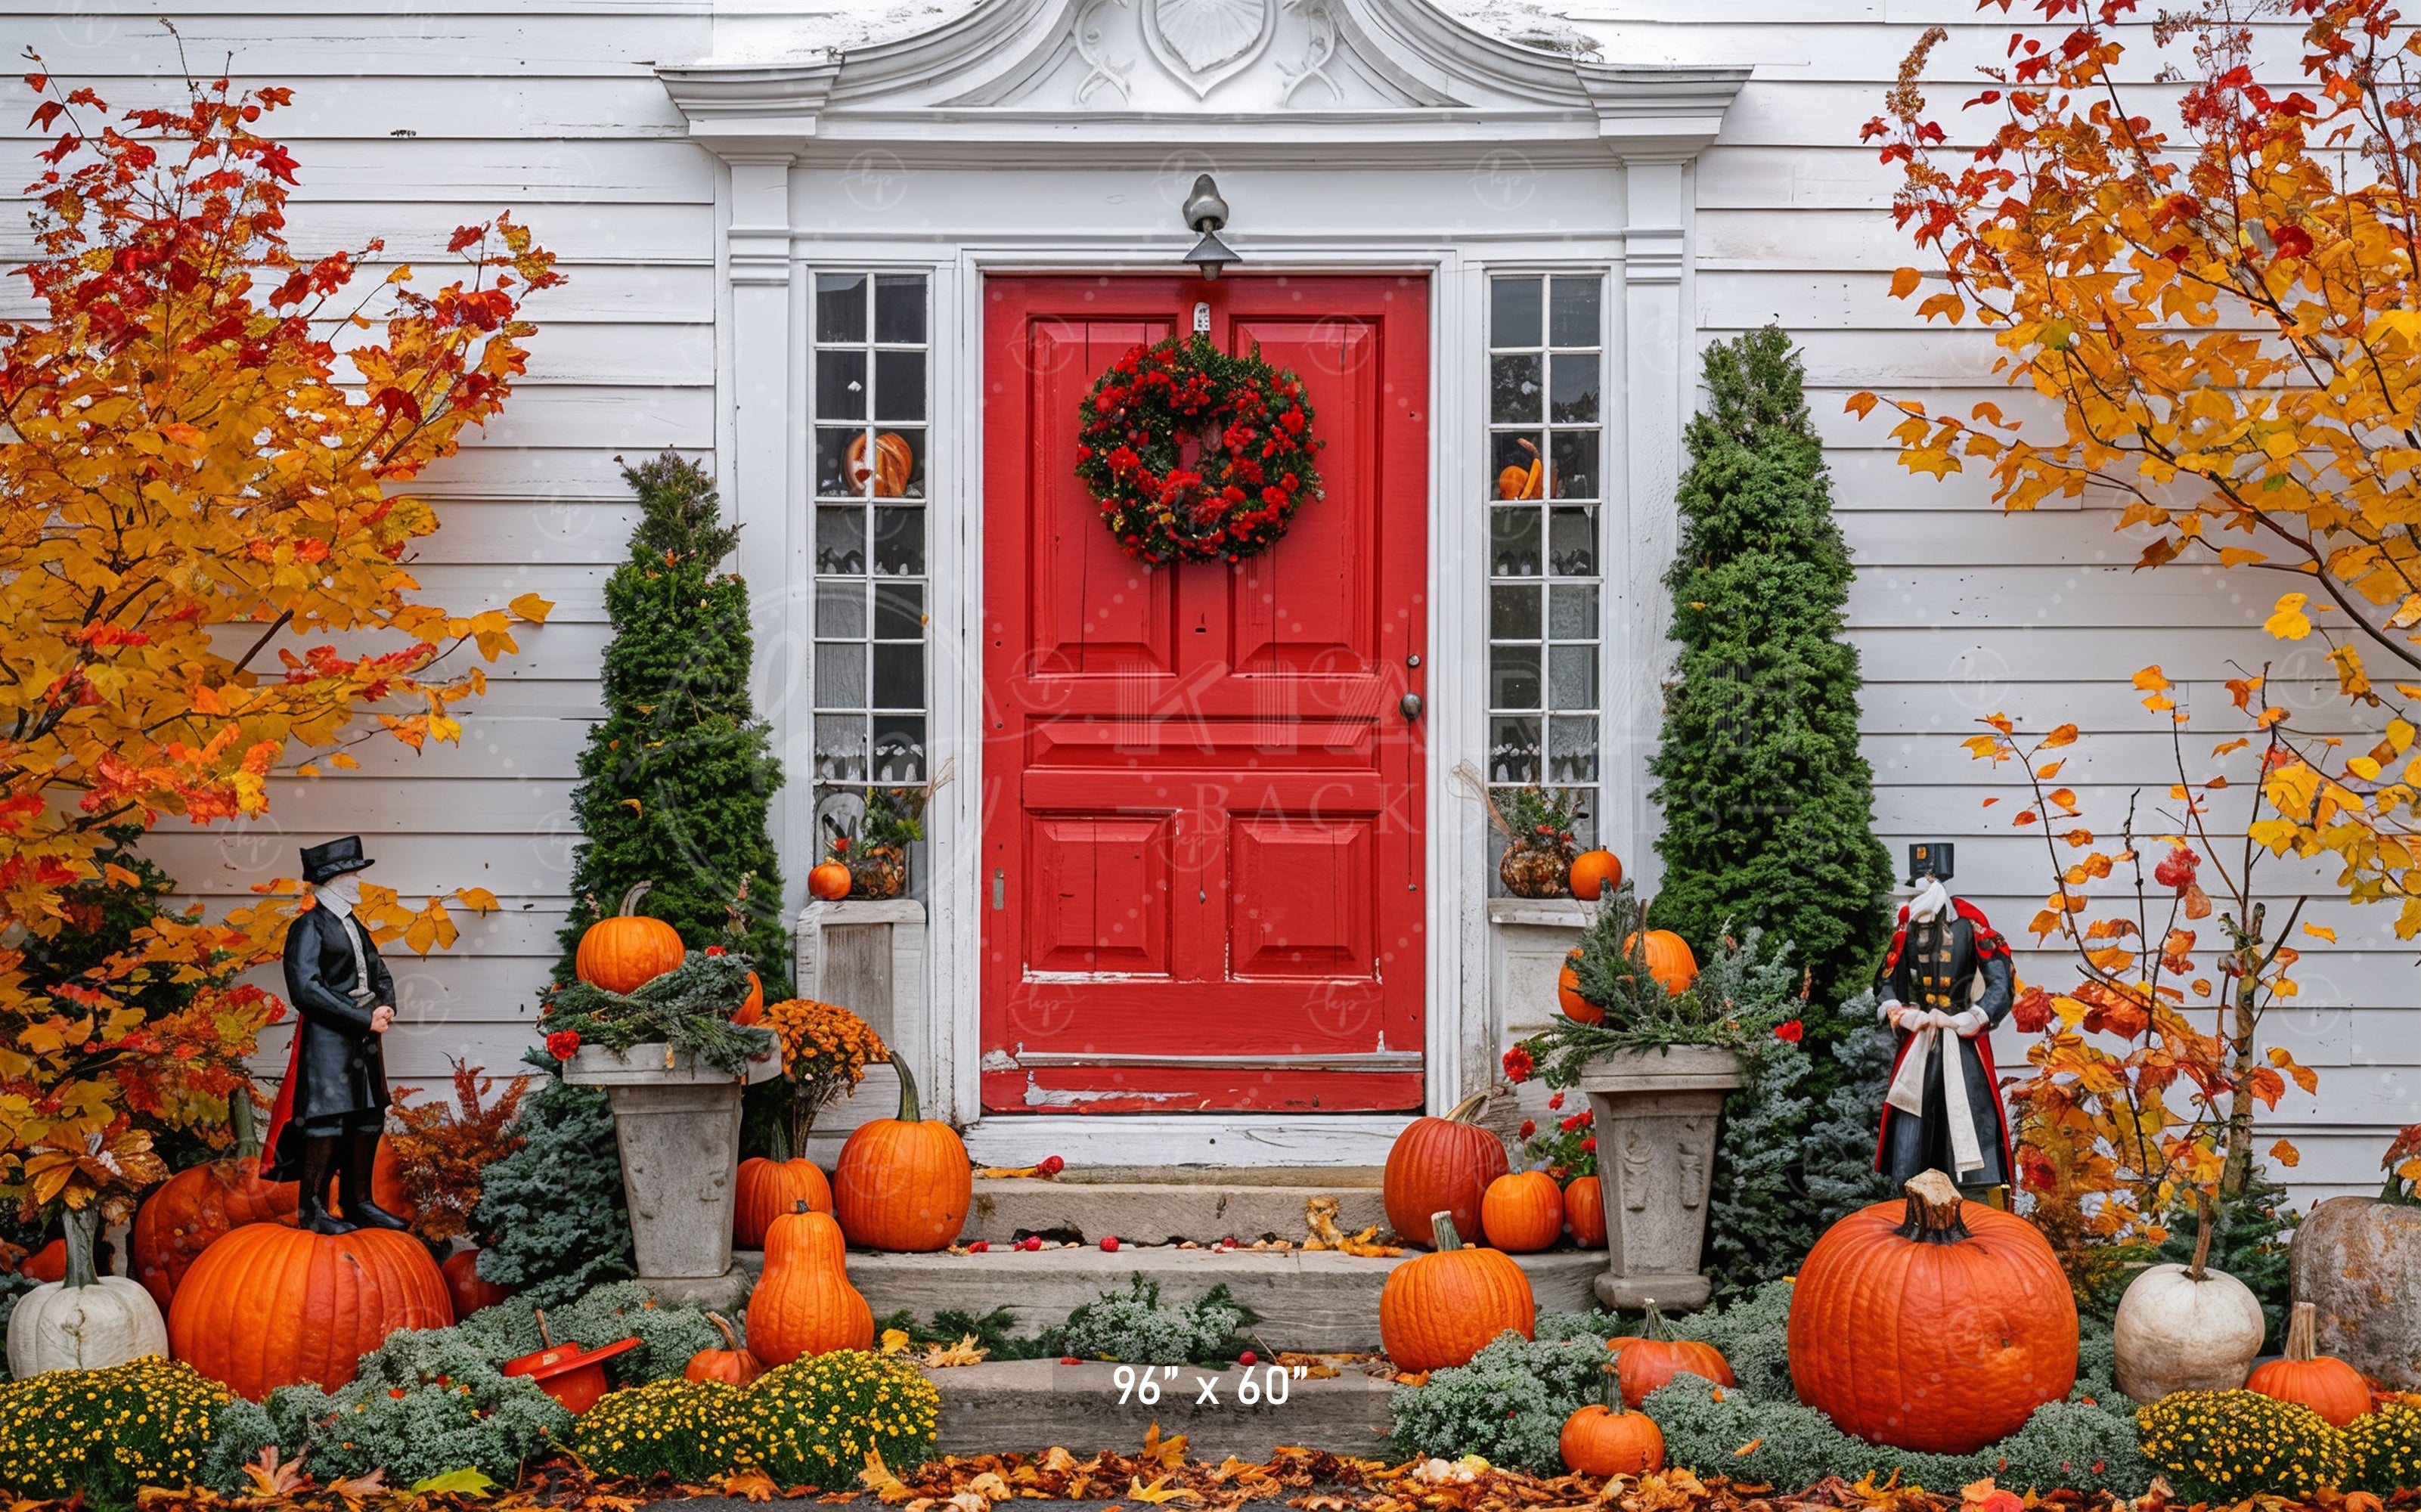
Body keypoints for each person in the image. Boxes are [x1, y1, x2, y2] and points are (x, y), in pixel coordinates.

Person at [262, 836, 410, 1235]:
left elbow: (378, 971)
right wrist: (361, 1019)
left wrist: (386, 1004)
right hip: (328, 1041)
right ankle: (312, 1208)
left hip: (364, 1039)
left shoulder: (355, 926)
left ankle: (358, 1202)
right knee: (327, 1120)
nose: (359, 881)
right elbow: (305, 988)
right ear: (333, 879)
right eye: (353, 874)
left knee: (368, 1116)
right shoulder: (308, 927)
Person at [1874, 841, 2015, 1194]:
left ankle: (1971, 1197)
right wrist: (1900, 1013)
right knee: (1912, 1124)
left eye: (1931, 877)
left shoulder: (1971, 924)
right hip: (1919, 1040)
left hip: (1960, 1039)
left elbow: (2002, 981)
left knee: (1968, 1113)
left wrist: (1976, 1016)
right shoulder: (1905, 928)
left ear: (1940, 883)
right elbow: (1886, 981)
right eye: (1919, 879)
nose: (1924, 883)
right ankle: (1912, 1194)